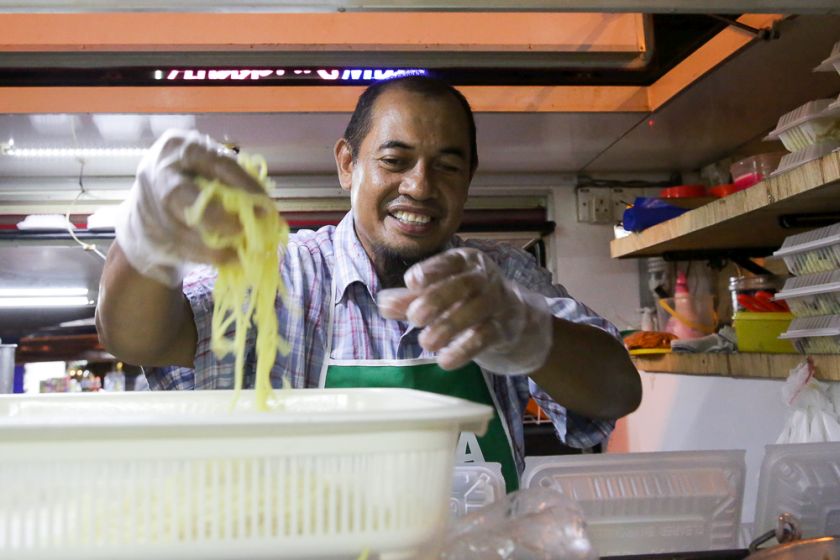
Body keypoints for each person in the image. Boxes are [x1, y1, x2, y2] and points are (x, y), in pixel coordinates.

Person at [96, 76, 641, 492]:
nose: (420, 186)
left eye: (447, 167)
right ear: (346, 164)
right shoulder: (277, 273)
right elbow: (137, 338)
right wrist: (146, 239)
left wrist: (531, 332)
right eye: (395, 160)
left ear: (470, 177)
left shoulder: (501, 278)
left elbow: (618, 389)